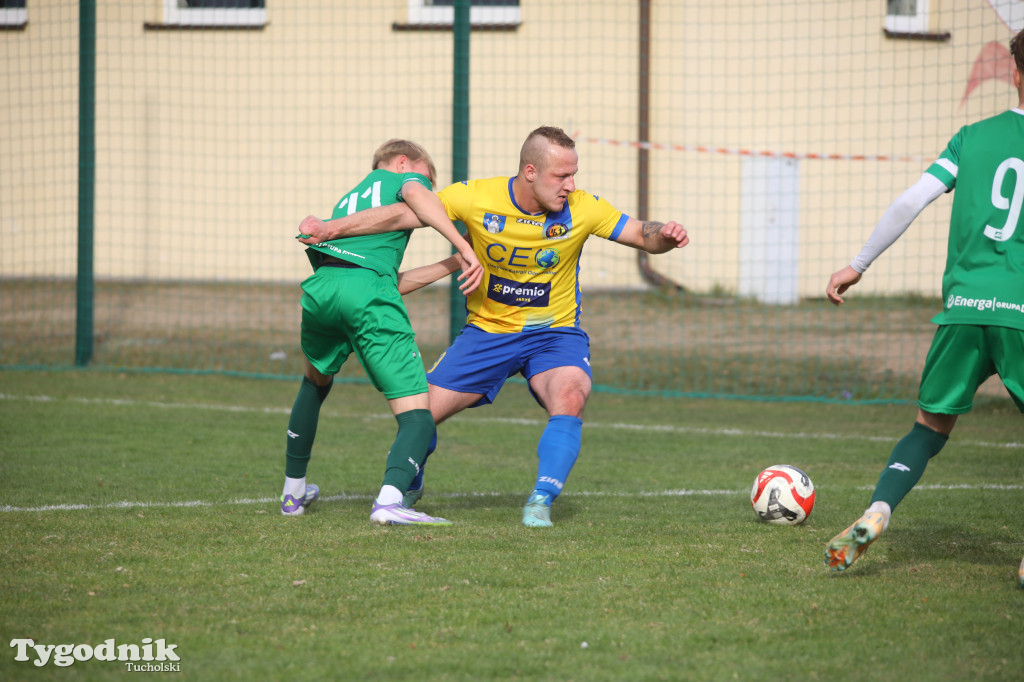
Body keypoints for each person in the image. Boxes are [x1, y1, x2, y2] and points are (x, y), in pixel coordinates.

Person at [297, 126, 689, 527]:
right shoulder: (476, 196)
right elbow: (405, 213)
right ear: (530, 171)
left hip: (553, 335)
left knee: (571, 394)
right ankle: (407, 488)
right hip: (486, 333)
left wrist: (666, 236)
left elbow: (642, 234)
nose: (571, 185)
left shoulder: (583, 207)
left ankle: (541, 499)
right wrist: (332, 229)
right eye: (561, 176)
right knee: (419, 414)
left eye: (574, 175)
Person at [823, 31, 1024, 578]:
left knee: (928, 428)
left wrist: (858, 264)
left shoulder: (971, 137)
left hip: (963, 309)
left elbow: (911, 200)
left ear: (1015, 73)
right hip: (1021, 313)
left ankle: (878, 509)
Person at [281, 139, 483, 527]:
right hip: (366, 292)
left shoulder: (350, 200)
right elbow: (416, 198)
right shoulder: (403, 180)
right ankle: (390, 502)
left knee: (314, 383)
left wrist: (454, 262)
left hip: (324, 287)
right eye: (427, 178)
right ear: (403, 162)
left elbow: (384, 278)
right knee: (419, 415)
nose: (427, 190)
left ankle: (293, 493)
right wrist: (464, 244)